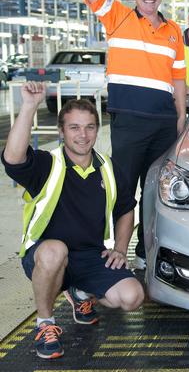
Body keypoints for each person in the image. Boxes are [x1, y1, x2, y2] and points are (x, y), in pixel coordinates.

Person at [2, 82, 144, 359]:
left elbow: (126, 208)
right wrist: (30, 106)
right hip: (45, 256)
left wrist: (119, 248)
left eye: (90, 127)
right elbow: (13, 159)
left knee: (131, 297)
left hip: (89, 256)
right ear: (61, 131)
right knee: (56, 250)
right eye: (74, 127)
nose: (83, 135)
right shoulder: (47, 164)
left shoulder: (108, 167)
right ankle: (45, 323)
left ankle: (81, 294)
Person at [76, 0, 186, 269]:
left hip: (164, 124)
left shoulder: (174, 32)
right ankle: (120, 251)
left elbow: (179, 78)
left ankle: (147, 253)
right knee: (123, 190)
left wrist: (182, 117)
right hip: (129, 123)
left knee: (156, 192)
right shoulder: (118, 17)